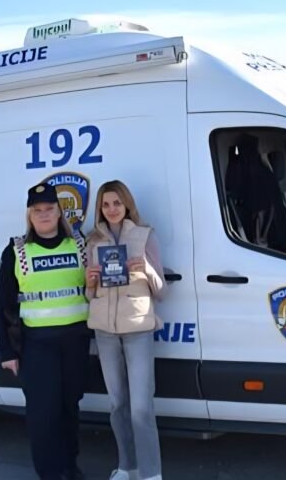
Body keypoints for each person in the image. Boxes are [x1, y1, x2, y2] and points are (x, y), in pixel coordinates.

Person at [0, 182, 91, 480]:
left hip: (75, 343)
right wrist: (7, 351)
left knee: (70, 408)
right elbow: (2, 303)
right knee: (43, 414)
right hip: (37, 346)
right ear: (29, 215)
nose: (44, 214)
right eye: (37, 210)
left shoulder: (80, 245)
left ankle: (69, 468)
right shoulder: (17, 251)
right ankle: (50, 473)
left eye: (49, 208)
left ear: (59, 212)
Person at [84, 180, 165, 480]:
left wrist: (145, 270)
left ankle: (151, 473)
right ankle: (127, 467)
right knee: (118, 405)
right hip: (105, 332)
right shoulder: (93, 241)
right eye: (106, 204)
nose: (112, 209)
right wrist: (90, 282)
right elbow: (89, 296)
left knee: (141, 408)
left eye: (117, 203)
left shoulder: (145, 235)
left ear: (127, 204)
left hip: (138, 329)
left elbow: (161, 290)